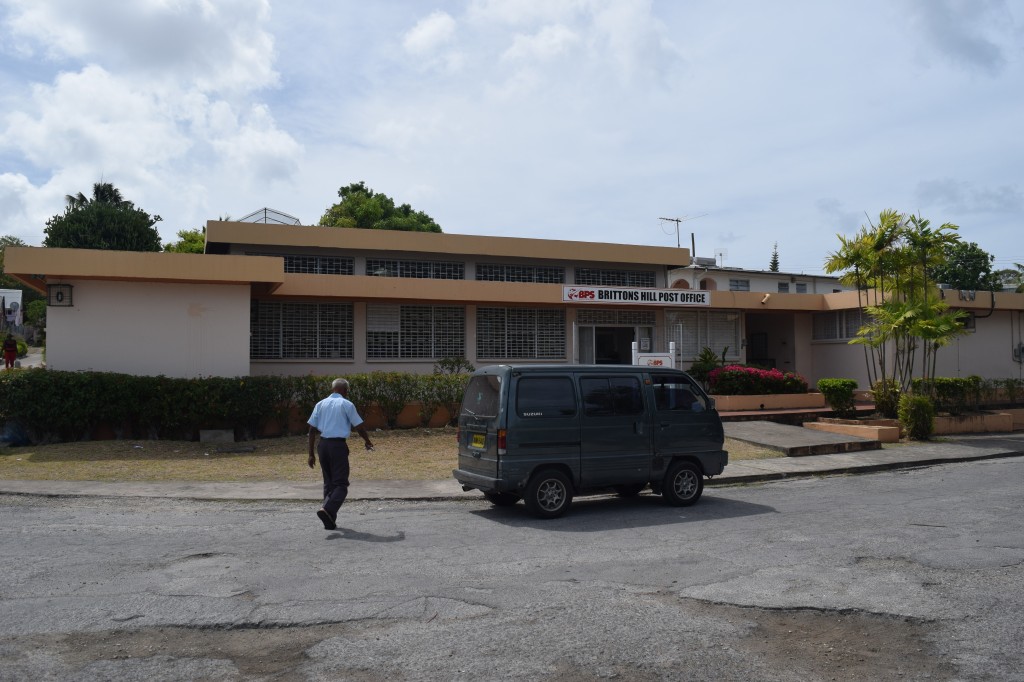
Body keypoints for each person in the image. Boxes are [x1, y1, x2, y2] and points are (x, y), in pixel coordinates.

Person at [307, 378, 374, 530]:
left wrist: (311, 454)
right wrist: (367, 441)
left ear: (332, 390)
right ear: (345, 391)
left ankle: (329, 519)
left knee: (328, 483)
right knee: (341, 484)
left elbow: (311, 430)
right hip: (337, 446)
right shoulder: (346, 404)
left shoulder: (320, 404)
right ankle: (328, 509)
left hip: (322, 445)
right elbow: (359, 427)